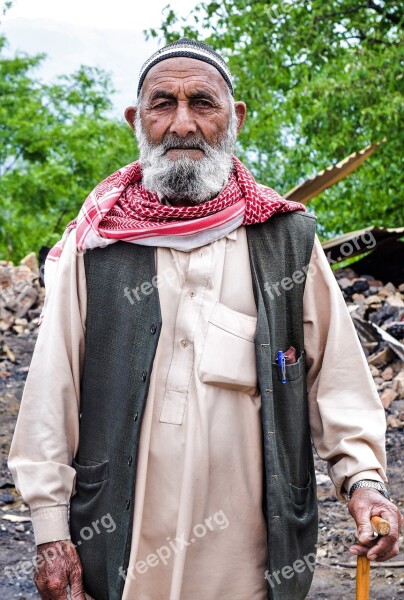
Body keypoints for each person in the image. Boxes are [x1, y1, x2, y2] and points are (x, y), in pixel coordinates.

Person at [8, 38, 402, 600]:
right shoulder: (95, 246)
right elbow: (51, 390)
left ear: (235, 117)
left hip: (249, 552)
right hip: (121, 543)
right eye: (162, 104)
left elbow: (335, 377)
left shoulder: (286, 240)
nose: (182, 124)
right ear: (135, 120)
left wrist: (363, 482)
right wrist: (50, 532)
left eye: (203, 103)